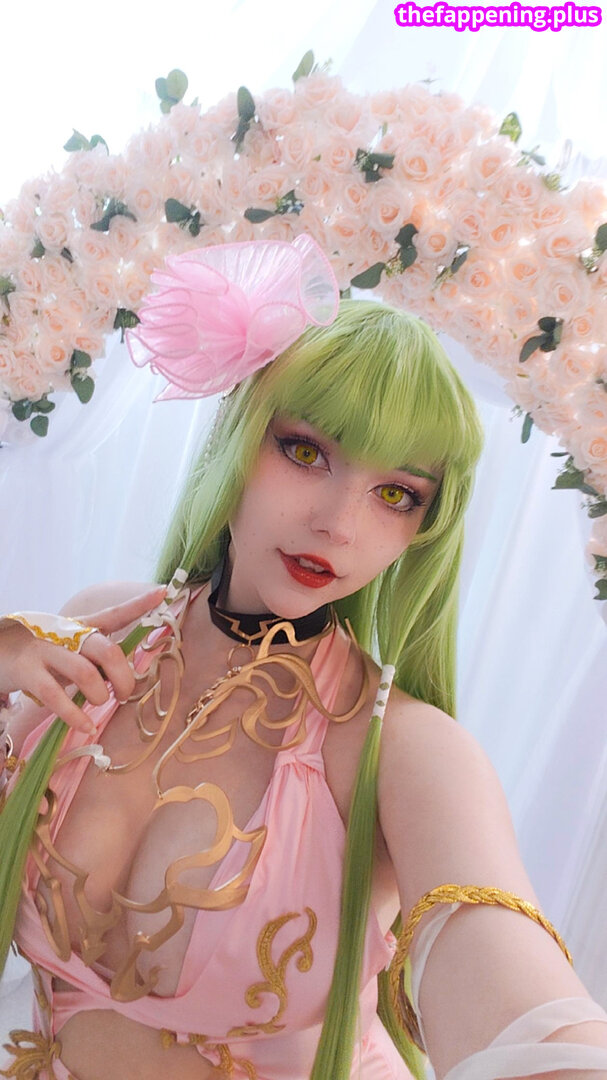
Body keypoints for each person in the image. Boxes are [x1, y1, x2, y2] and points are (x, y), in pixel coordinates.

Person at [0, 236, 606, 1080]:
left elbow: (506, 978)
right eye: (306, 450)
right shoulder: (96, 628)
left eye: (395, 494)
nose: (338, 523)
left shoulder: (405, 748)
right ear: (236, 432)